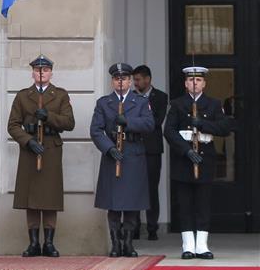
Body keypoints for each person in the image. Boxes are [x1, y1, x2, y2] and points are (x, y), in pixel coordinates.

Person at [7, 55, 75, 257]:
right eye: (37, 70)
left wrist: (49, 117)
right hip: (30, 150)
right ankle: (34, 243)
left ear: (51, 72)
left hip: (51, 150)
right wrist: (28, 140)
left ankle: (49, 243)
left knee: (50, 197)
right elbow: (12, 125)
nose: (41, 73)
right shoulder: (23, 96)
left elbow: (69, 122)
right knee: (32, 198)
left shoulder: (60, 95)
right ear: (33, 73)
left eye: (45, 70)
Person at [163, 66, 230, 259]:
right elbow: (169, 131)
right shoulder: (176, 104)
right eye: (191, 80)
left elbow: (225, 127)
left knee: (203, 203)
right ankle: (187, 245)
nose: (195, 83)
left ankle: (202, 245)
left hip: (205, 157)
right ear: (185, 84)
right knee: (184, 204)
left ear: (204, 83)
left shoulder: (214, 104)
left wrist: (203, 124)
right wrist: (186, 151)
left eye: (198, 80)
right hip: (183, 159)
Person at [90, 63, 154, 257]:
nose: (121, 82)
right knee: (114, 204)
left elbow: (150, 124)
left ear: (129, 81)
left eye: (125, 79)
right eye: (117, 79)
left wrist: (129, 123)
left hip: (133, 154)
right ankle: (116, 244)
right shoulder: (104, 103)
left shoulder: (140, 101)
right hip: (113, 156)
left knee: (132, 204)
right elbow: (95, 130)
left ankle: (128, 244)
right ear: (112, 81)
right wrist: (109, 148)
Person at [132, 65, 168, 241]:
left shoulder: (160, 97)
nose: (135, 83)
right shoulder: (130, 97)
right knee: (135, 188)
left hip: (152, 149)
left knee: (152, 189)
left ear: (148, 79)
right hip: (134, 148)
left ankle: (152, 227)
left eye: (138, 79)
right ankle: (135, 227)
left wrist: (137, 122)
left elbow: (156, 121)